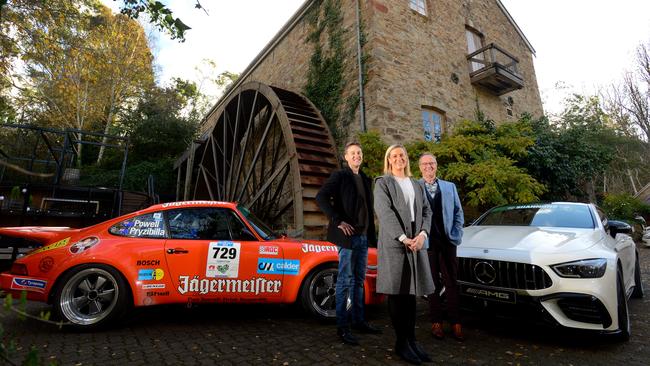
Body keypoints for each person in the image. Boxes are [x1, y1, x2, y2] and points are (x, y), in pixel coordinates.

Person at [316, 142, 381, 346]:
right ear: (346, 157)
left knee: (359, 280)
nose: (356, 156)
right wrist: (337, 220)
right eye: (352, 153)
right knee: (344, 280)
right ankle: (342, 327)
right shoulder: (340, 176)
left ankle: (359, 321)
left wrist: (372, 235)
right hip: (347, 237)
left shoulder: (364, 178)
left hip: (362, 236)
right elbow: (321, 197)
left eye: (359, 153)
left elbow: (367, 209)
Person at [374, 144, 433, 365]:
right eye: (394, 156)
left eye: (402, 155)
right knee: (397, 293)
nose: (399, 158)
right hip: (395, 242)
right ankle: (401, 343)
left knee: (411, 294)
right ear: (389, 160)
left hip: (416, 241)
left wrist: (423, 235)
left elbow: (427, 210)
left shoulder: (416, 184)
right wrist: (402, 237)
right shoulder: (383, 182)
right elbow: (384, 212)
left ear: (407, 159)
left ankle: (412, 340)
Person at [417, 152, 465, 341]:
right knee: (432, 284)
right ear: (420, 167)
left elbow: (458, 213)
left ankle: (456, 322)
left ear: (436, 166)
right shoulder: (415, 187)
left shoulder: (449, 187)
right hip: (427, 243)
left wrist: (456, 234)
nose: (428, 167)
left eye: (432, 163)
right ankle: (436, 322)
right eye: (425, 164)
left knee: (451, 281)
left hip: (447, 242)